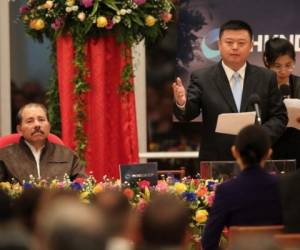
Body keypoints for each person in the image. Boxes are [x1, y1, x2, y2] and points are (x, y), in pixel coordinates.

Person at [173, 20, 287, 163]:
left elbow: (279, 117)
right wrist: (182, 103)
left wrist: (258, 137)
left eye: (241, 43)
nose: (235, 47)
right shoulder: (202, 77)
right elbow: (188, 114)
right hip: (215, 161)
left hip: (257, 158)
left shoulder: (266, 77)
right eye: (229, 42)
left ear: (251, 46)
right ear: (219, 45)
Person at [201, 125, 282, 250]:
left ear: (234, 152)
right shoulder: (283, 187)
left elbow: (209, 241)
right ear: (269, 153)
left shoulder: (226, 191)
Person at [0, 103, 85, 183]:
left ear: (49, 126)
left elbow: (83, 187)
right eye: (30, 121)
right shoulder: (4, 156)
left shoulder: (68, 155)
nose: (37, 125)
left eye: (41, 120)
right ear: (19, 130)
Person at [263, 37, 300, 168]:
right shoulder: (260, 86)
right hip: (270, 149)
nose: (283, 71)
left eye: (288, 65)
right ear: (267, 62)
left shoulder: (298, 84)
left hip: (297, 147)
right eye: (277, 66)